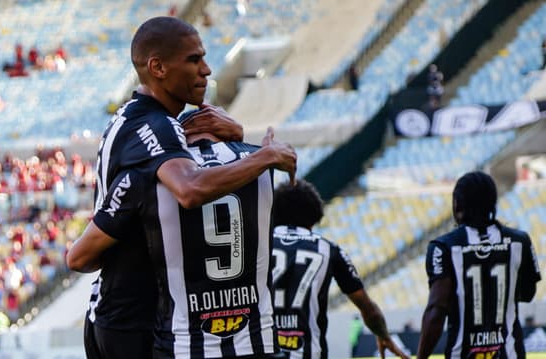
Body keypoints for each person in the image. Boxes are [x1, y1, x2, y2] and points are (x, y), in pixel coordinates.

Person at [66, 16, 296, 359]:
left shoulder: (140, 119)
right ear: (158, 67)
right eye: (193, 59)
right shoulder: (155, 127)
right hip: (134, 320)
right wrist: (265, 156)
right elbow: (190, 189)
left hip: (118, 313)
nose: (206, 70)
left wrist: (236, 135)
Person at [270, 180, 409, 359]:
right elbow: (368, 309)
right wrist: (384, 336)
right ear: (314, 217)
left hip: (261, 351)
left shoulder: (256, 244)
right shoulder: (329, 249)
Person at [417, 171, 542, 359]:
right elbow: (528, 293)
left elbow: (436, 310)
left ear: (457, 204)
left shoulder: (443, 247)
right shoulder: (519, 241)